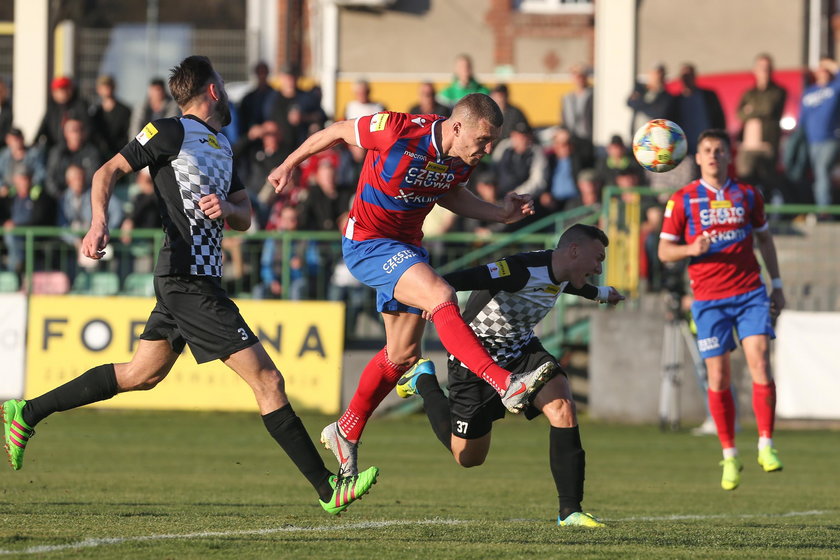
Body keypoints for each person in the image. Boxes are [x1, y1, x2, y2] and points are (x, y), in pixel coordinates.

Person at [1, 55, 378, 515]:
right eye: (222, 81)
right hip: (186, 280)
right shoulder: (168, 131)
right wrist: (98, 222)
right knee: (269, 379)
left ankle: (27, 414)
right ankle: (327, 489)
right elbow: (106, 173)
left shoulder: (221, 144)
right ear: (214, 90)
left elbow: (244, 215)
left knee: (142, 374)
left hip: (196, 278)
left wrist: (227, 206)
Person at [268, 93, 556, 478]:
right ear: (457, 127)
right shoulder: (397, 129)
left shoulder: (459, 160)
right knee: (441, 296)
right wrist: (289, 164)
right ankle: (505, 383)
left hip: (406, 250)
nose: (488, 149)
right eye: (483, 140)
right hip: (367, 244)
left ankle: (346, 430)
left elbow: (450, 193)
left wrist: (499, 214)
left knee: (401, 354)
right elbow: (338, 131)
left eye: (493, 142)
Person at [394, 224, 624, 527]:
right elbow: (468, 277)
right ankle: (423, 380)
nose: (598, 267)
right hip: (475, 359)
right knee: (468, 457)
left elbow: (574, 285)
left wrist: (602, 294)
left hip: (521, 352)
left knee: (562, 407)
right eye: (597, 259)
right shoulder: (520, 269)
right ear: (573, 250)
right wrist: (431, 296)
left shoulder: (562, 272)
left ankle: (570, 511)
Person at [657, 129, 785, 491]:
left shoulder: (747, 195)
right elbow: (665, 252)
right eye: (707, 151)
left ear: (730, 156)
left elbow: (765, 239)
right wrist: (691, 249)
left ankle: (766, 445)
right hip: (709, 300)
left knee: (759, 358)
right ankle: (729, 454)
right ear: (697, 158)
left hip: (750, 293)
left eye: (719, 150)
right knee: (718, 376)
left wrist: (777, 284)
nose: (713, 156)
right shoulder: (683, 200)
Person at [735, 54, 789, 203]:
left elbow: (769, 108)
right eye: (761, 68)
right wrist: (749, 112)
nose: (765, 71)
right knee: (746, 183)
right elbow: (739, 114)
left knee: (768, 183)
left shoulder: (778, 91)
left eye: (767, 68)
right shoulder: (749, 93)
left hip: (767, 145)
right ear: (755, 70)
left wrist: (750, 110)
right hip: (749, 145)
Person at [799, 57, 840, 208]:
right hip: (813, 141)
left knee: (822, 170)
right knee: (819, 175)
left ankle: (824, 210)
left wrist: (831, 64)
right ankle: (821, 206)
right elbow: (802, 118)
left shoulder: (834, 88)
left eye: (826, 69)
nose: (823, 72)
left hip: (831, 139)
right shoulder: (809, 92)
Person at [35, 76, 90, 151]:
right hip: (55, 148)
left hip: (78, 149)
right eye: (57, 90)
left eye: (63, 90)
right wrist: (34, 143)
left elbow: (88, 128)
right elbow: (43, 127)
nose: (61, 93)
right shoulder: (52, 108)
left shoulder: (79, 106)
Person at [89, 75, 133, 159]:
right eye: (104, 87)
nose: (106, 89)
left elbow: (128, 134)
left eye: (108, 86)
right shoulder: (96, 112)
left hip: (121, 154)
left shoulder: (125, 111)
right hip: (100, 156)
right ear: (98, 90)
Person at [627, 63, 675, 137]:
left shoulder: (666, 97)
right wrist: (648, 105)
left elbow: (657, 113)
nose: (657, 77)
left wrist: (640, 103)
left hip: (654, 137)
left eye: (660, 74)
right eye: (655, 74)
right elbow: (630, 102)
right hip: (637, 134)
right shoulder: (641, 90)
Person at [561, 64, 594, 169]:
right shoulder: (567, 98)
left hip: (588, 139)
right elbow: (564, 119)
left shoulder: (592, 94)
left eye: (581, 76)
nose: (578, 79)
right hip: (573, 140)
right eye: (576, 76)